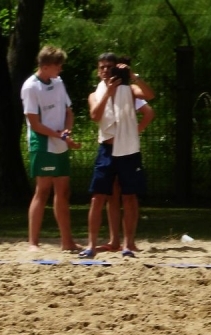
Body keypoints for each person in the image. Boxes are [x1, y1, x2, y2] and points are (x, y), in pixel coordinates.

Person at [80, 54, 155, 260]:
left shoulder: (129, 90)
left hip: (128, 149)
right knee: (97, 197)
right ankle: (91, 245)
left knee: (129, 196)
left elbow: (150, 95)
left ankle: (128, 244)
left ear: (117, 69)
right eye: (102, 67)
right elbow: (95, 115)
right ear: (98, 71)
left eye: (110, 67)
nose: (106, 70)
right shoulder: (95, 94)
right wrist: (108, 93)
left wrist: (133, 76)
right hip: (106, 149)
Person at [21, 45, 80, 253]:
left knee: (63, 191)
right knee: (42, 190)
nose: (61, 69)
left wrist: (66, 132)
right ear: (46, 66)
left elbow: (68, 111)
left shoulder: (58, 82)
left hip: (59, 141)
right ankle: (33, 243)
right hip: (42, 143)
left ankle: (67, 241)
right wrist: (60, 135)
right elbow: (35, 123)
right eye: (58, 66)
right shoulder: (30, 87)